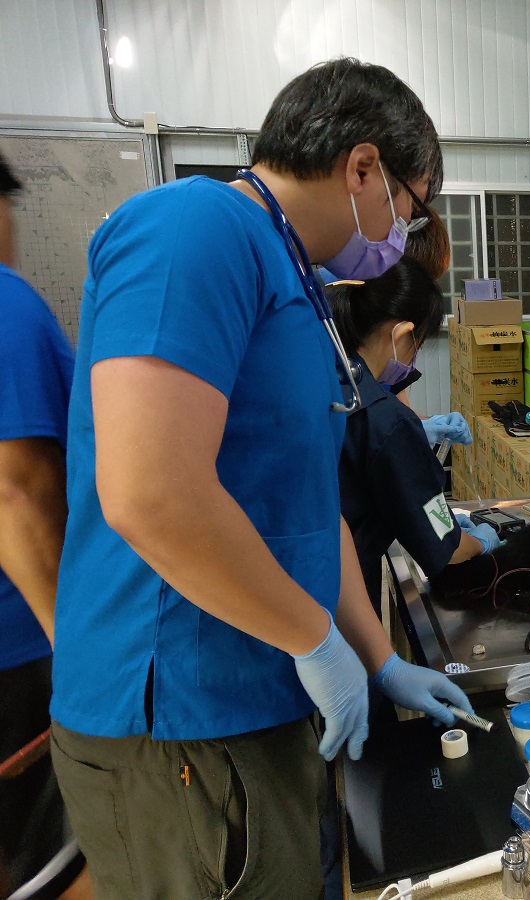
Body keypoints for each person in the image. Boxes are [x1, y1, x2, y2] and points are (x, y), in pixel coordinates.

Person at [48, 58, 473, 900]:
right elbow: (149, 493)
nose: (402, 232)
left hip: (264, 695)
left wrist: (378, 656)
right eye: (409, 206)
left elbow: (312, 514)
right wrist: (314, 640)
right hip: (184, 717)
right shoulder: (193, 229)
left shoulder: (300, 287)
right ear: (362, 168)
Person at [0, 155, 92, 898]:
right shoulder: (6, 306)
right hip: (24, 649)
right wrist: (82, 650)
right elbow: (17, 494)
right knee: (55, 861)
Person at [328, 257, 500, 608]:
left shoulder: (326, 379)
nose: (412, 359)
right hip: (344, 597)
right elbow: (445, 543)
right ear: (403, 332)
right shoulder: (386, 420)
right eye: (417, 345)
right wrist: (481, 541)